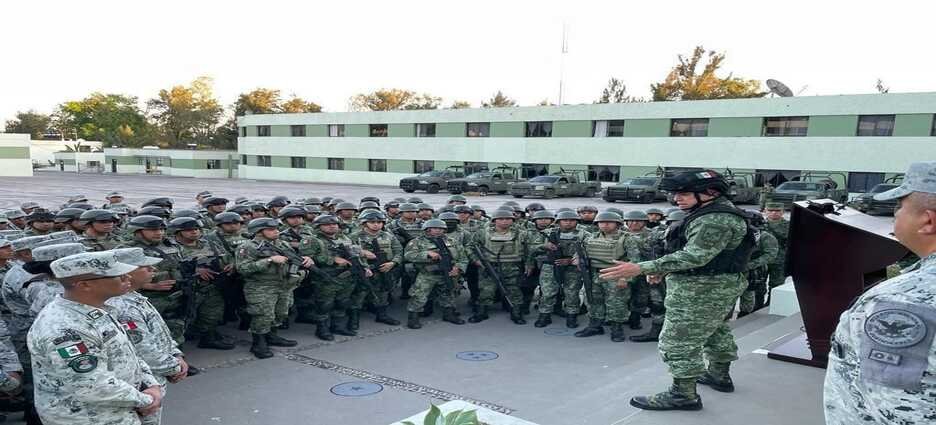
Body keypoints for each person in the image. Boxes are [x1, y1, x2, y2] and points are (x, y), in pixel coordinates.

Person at [600, 169, 755, 411]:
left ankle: (683, 395)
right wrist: (662, 269)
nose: (676, 199)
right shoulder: (708, 212)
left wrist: (641, 267)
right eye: (674, 194)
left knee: (677, 342)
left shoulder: (714, 219)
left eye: (683, 194)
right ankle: (719, 376)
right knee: (715, 331)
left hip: (701, 289)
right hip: (711, 285)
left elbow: (695, 256)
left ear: (710, 192)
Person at [824, 161, 936, 424]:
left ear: (927, 221)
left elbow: (901, 410)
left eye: (900, 205)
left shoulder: (906, 301)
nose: (895, 213)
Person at [28, 251, 163, 425]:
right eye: (117, 275)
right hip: (89, 417)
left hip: (120, 408)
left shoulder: (97, 311)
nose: (127, 277)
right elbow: (92, 385)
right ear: (84, 285)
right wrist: (147, 400)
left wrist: (150, 384)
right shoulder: (64, 328)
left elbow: (129, 354)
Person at [106, 248, 190, 425]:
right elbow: (143, 348)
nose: (153, 271)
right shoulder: (121, 306)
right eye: (146, 268)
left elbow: (160, 332)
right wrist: (174, 367)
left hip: (154, 380)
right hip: (142, 385)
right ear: (126, 272)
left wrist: (176, 354)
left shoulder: (133, 297)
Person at [236, 218, 311, 358]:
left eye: (277, 228)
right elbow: (243, 268)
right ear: (259, 231)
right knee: (263, 315)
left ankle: (272, 336)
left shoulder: (282, 244)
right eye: (271, 229)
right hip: (261, 286)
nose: (276, 231)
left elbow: (295, 258)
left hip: (284, 284)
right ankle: (258, 343)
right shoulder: (248, 247)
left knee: (281, 312)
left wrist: (306, 259)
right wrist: (269, 260)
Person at [402, 219, 467, 329]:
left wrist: (458, 268)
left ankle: (448, 314)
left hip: (448, 272)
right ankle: (413, 318)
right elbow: (408, 255)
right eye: (435, 228)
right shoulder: (417, 241)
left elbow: (463, 258)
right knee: (419, 295)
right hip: (427, 274)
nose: (438, 231)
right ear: (427, 229)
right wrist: (426, 254)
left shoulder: (452, 241)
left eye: (441, 229)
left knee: (448, 293)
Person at [349, 210, 403, 327]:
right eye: (372, 222)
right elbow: (347, 250)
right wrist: (361, 252)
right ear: (364, 223)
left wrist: (393, 263)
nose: (376, 224)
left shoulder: (388, 236)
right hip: (364, 270)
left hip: (384, 269)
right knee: (360, 294)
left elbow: (398, 251)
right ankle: (354, 319)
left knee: (383, 292)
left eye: (379, 222)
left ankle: (382, 315)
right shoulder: (355, 236)